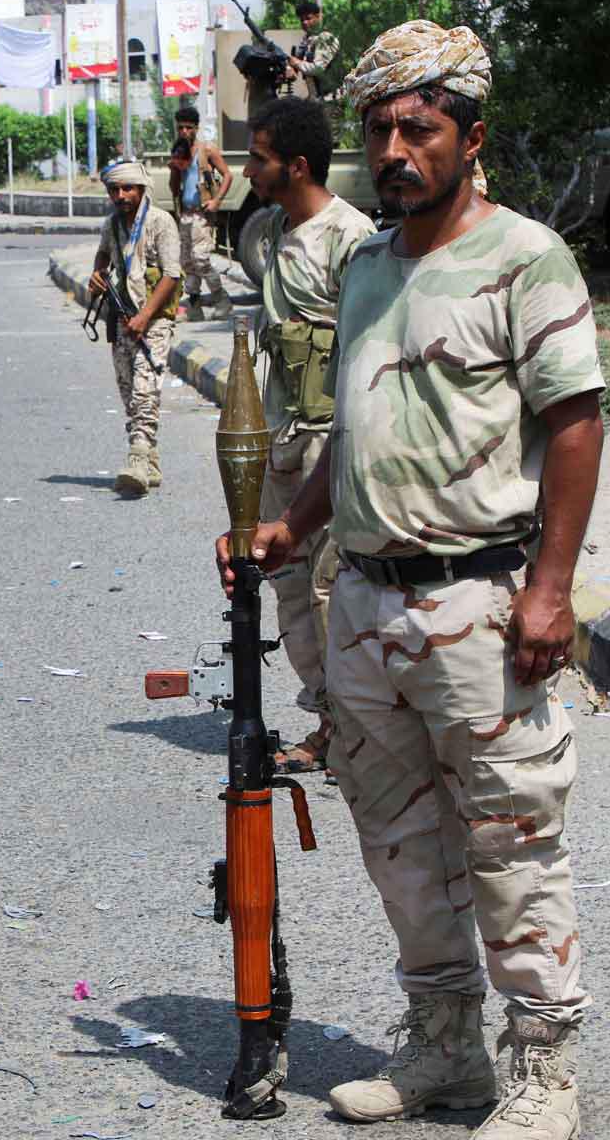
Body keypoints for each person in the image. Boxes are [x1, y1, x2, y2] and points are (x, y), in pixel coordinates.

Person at [215, 20, 602, 1140]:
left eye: (418, 130)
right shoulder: (370, 265)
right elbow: (353, 430)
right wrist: (293, 529)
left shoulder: (527, 258)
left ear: (469, 139)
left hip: (478, 602)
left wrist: (553, 588)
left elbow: (575, 425)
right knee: (394, 842)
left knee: (509, 841)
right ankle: (445, 1050)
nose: (395, 149)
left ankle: (542, 1071)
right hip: (364, 603)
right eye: (381, 129)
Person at [241, 96, 377, 775]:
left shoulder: (351, 238)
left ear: (296, 165)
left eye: (258, 159)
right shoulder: (268, 231)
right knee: (286, 581)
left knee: (332, 590)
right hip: (282, 437)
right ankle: (330, 720)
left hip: (330, 442)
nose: (248, 169)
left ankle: (359, 728)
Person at [88, 159, 181, 496]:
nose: (121, 195)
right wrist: (97, 277)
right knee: (129, 392)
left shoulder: (160, 223)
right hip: (123, 321)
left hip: (154, 322)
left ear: (142, 189)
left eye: (127, 188)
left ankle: (138, 460)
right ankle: (151, 461)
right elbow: (103, 259)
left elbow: (172, 275)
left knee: (145, 389)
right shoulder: (111, 226)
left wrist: (145, 316)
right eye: (115, 189)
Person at [169, 105, 234, 320]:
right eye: (181, 128)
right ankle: (194, 307)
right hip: (186, 215)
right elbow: (174, 187)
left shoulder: (207, 151)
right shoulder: (179, 151)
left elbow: (227, 175)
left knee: (201, 259)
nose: (184, 132)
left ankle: (222, 300)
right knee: (187, 263)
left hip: (202, 215)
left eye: (188, 127)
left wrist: (216, 201)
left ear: (196, 128)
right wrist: (174, 169)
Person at [285, 0, 341, 100]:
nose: (304, 22)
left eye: (308, 18)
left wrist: (297, 63)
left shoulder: (325, 38)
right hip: (316, 97)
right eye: (301, 20)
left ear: (318, 17)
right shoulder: (307, 40)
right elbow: (298, 64)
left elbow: (318, 68)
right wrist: (291, 70)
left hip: (331, 99)